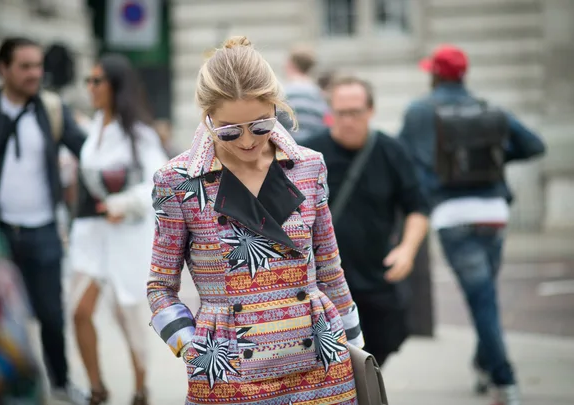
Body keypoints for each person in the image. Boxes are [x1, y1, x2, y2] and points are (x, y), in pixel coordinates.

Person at [148, 36, 364, 405]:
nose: (248, 141)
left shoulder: (309, 166)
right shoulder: (178, 180)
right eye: (230, 130)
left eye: (261, 125)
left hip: (322, 362)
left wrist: (357, 345)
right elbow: (159, 288)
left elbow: (330, 270)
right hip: (229, 371)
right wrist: (194, 348)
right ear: (208, 117)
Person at [399, 45, 546, 405]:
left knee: (483, 302)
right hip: (494, 212)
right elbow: (534, 145)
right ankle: (483, 365)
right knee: (485, 297)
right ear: (463, 75)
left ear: (434, 74)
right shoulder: (488, 108)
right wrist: (498, 157)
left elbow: (404, 159)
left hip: (452, 215)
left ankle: (504, 379)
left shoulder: (420, 110)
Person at [0, 37, 86, 404]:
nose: (35, 73)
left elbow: (86, 148)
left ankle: (62, 384)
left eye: (38, 66)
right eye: (25, 66)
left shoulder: (51, 109)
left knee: (52, 316)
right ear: (3, 69)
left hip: (44, 230)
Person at [302, 76, 429, 366]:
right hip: (323, 283)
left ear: (370, 111)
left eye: (355, 112)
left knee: (375, 355)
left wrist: (407, 250)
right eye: (341, 112)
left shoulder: (391, 151)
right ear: (330, 112)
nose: (348, 120)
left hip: (376, 278)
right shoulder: (308, 155)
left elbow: (418, 208)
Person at [69, 54, 168, 405]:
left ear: (115, 86)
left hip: (127, 234)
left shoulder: (139, 134)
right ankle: (97, 389)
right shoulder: (93, 127)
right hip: (91, 234)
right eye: (89, 81)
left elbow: (159, 182)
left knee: (129, 314)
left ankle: (141, 389)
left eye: (98, 81)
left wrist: (123, 204)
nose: (91, 88)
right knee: (79, 311)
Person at [277, 45, 329, 141]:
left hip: (289, 148)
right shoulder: (319, 94)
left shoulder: (282, 92)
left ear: (290, 64)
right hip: (314, 147)